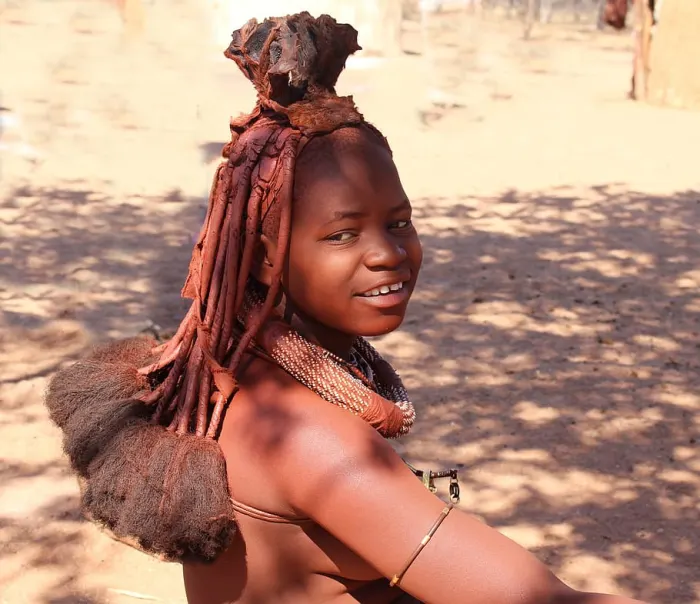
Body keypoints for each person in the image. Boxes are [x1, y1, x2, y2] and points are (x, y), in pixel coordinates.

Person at [45, 13, 649, 604]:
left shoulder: (241, 367)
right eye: (341, 234)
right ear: (261, 255)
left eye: (400, 222)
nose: (388, 254)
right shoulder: (310, 436)